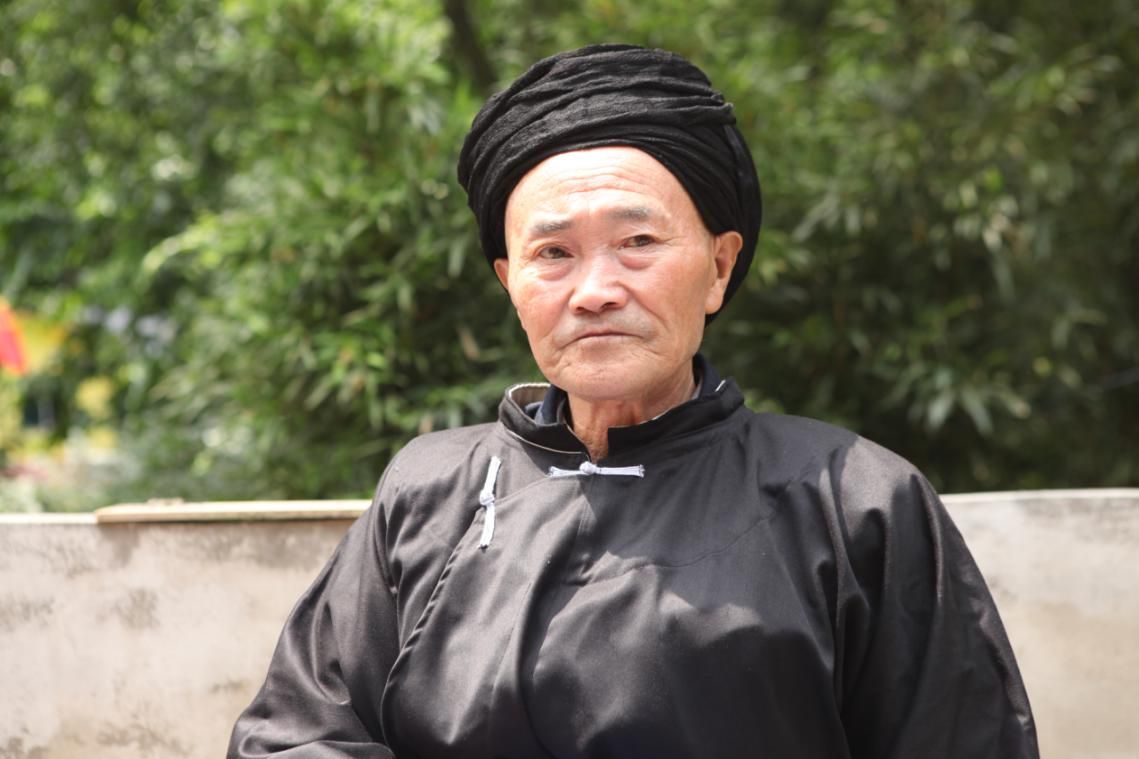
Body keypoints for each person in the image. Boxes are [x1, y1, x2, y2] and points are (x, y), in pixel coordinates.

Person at [229, 44, 1038, 758]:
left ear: (718, 267)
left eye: (638, 242)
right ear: (510, 283)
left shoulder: (854, 501)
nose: (594, 290)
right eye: (553, 253)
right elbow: (293, 732)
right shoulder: (429, 490)